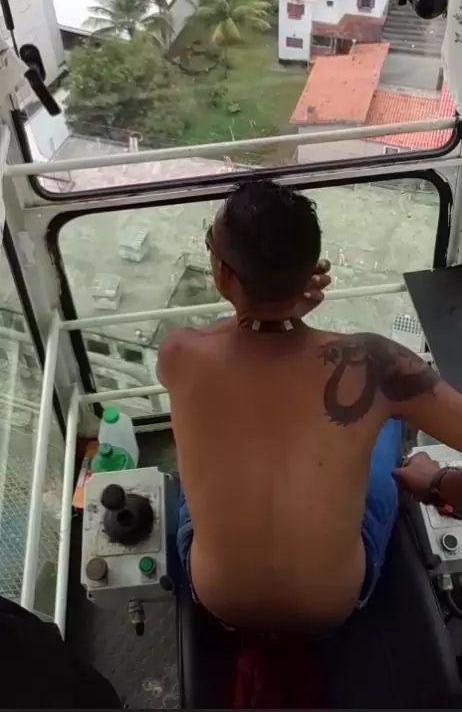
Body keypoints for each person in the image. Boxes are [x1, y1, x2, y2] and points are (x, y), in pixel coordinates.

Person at [158, 180, 462, 633]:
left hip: (219, 600)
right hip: (333, 604)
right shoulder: (376, 366)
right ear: (309, 270)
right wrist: (438, 482)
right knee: (383, 423)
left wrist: (278, 311)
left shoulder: (179, 353)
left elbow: (233, 340)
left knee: (195, 464)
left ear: (222, 275)